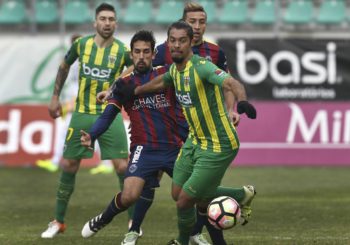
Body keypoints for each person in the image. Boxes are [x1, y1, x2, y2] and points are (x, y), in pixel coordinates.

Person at [117, 21, 257, 245]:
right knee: (178, 192)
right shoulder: (174, 69)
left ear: (190, 42)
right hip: (194, 141)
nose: (176, 45)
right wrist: (135, 91)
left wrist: (242, 102)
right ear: (167, 43)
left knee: (184, 202)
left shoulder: (202, 67)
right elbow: (161, 82)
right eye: (172, 40)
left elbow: (231, 83)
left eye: (182, 40)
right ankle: (241, 194)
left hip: (219, 144)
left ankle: (182, 242)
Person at [79, 30, 187, 244]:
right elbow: (109, 114)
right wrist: (92, 135)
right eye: (137, 52)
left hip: (174, 148)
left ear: (153, 53)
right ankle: (104, 218)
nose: (141, 56)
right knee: (129, 196)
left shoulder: (167, 74)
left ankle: (189, 235)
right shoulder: (122, 84)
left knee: (189, 195)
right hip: (143, 149)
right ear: (131, 54)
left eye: (146, 52)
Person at [41, 3, 132, 238]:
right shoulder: (81, 45)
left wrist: (116, 83)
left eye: (111, 19)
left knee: (122, 166)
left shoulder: (122, 50)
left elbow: (136, 68)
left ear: (116, 23)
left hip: (110, 113)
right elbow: (64, 66)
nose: (107, 22)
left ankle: (134, 224)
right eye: (103, 18)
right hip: (81, 113)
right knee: (69, 164)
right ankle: (58, 221)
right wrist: (54, 98)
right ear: (95, 22)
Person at [36, 34, 82, 173]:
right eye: (73, 43)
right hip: (76, 101)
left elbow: (82, 86)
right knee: (93, 133)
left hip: (82, 103)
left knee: (66, 132)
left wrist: (72, 103)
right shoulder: (73, 62)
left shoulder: (82, 63)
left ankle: (55, 161)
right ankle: (55, 161)